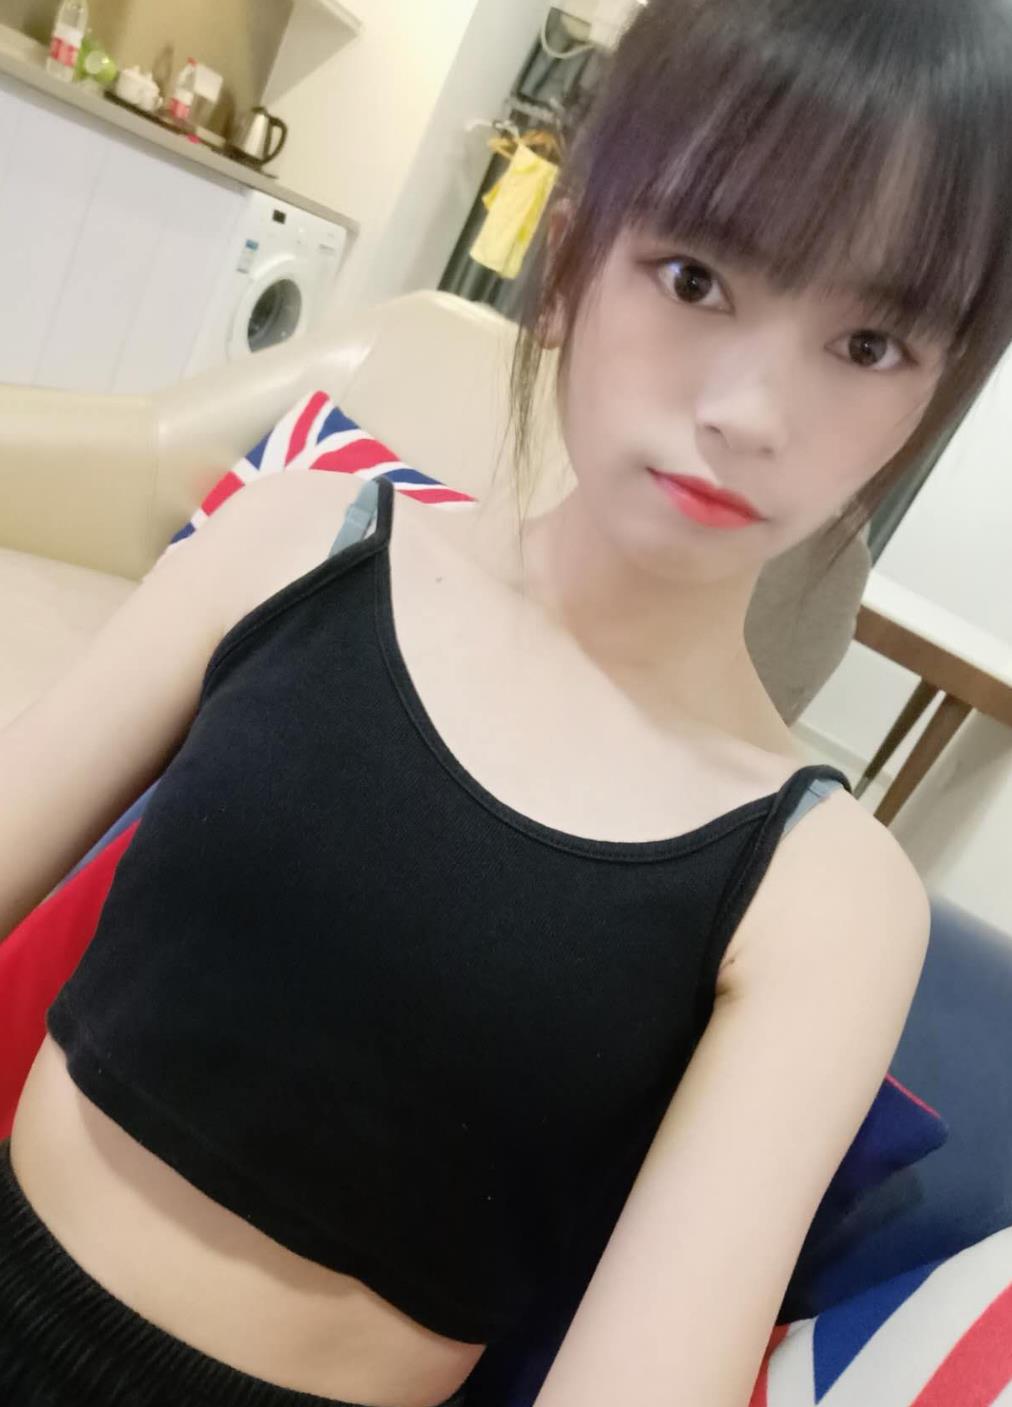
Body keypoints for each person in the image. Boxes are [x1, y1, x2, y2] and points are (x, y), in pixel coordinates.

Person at [3, 1, 1012, 1405]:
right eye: (696, 276)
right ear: (574, 248)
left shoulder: (824, 896)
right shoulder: (296, 540)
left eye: (870, 345)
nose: (752, 411)